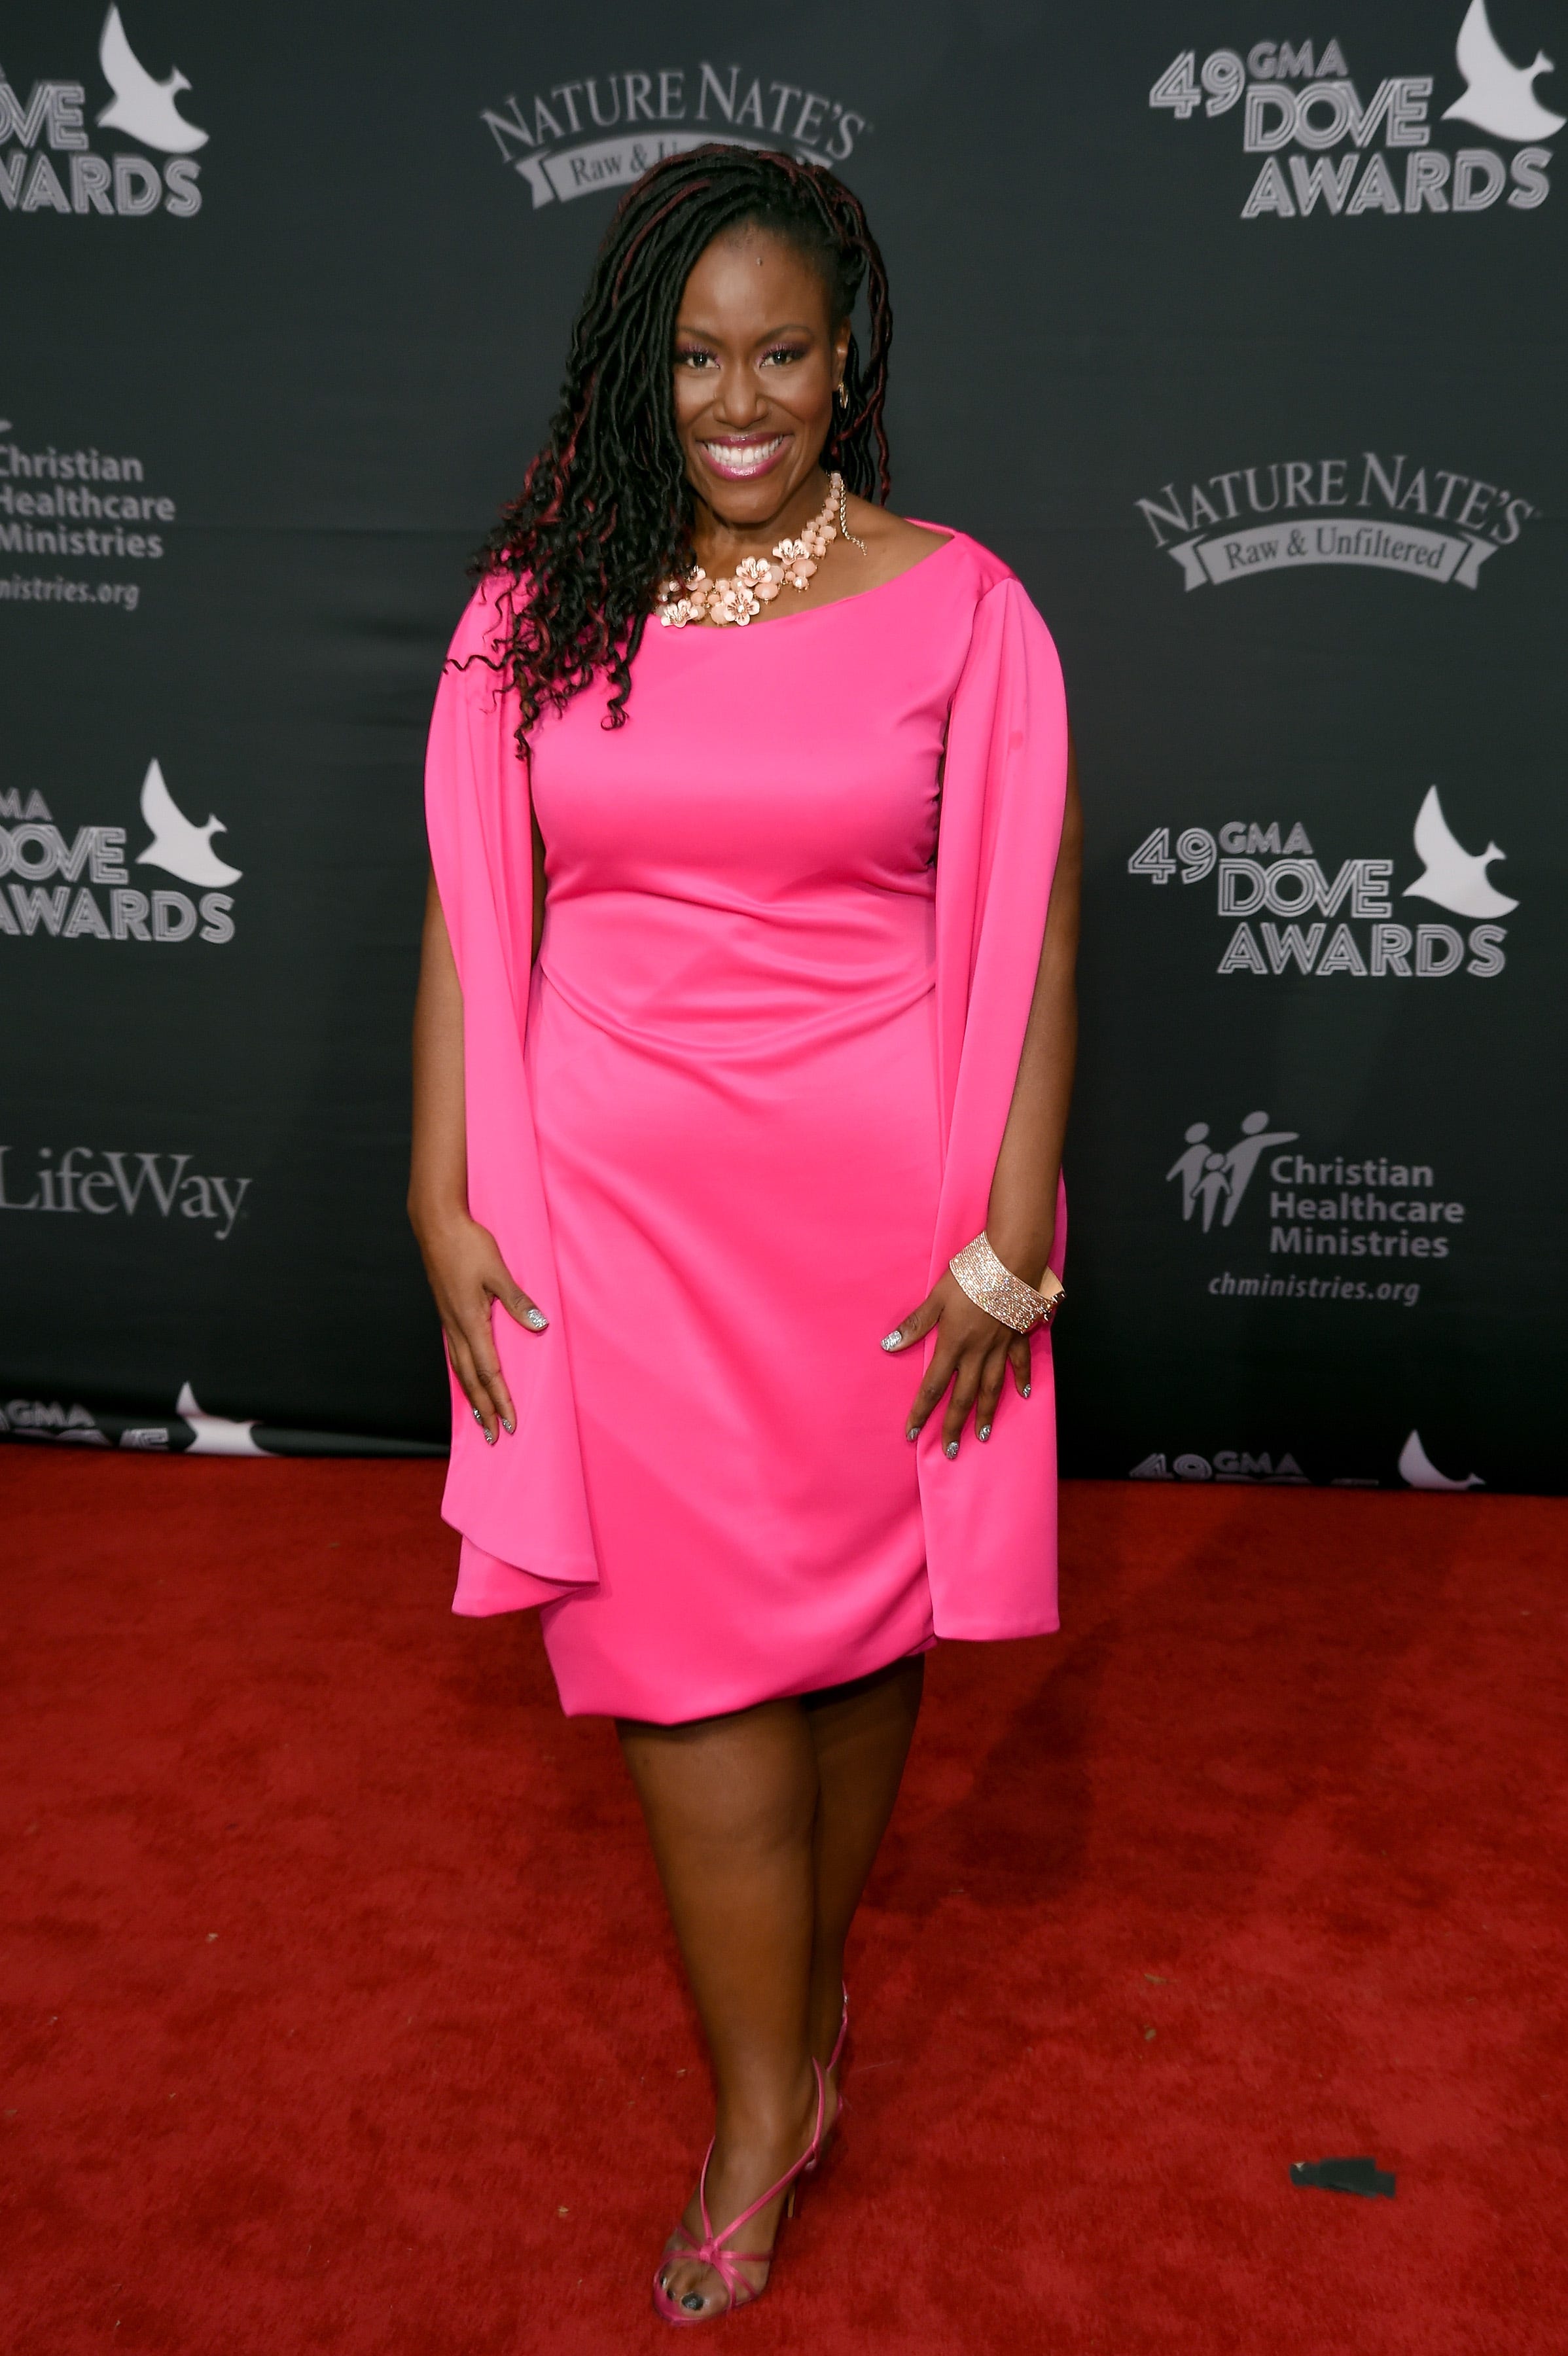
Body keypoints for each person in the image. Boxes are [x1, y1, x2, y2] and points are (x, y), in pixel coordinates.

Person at [409, 145, 1080, 2325]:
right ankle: (753, 2104)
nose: (738, 395)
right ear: (637, 366)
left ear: (843, 353)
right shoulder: (544, 596)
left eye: (780, 348)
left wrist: (1001, 1242)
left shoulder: (962, 602)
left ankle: (796, 2042)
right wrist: (440, 1180)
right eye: (696, 354)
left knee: (858, 1636)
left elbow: (1035, 915)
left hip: (877, 1223)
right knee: (688, 1674)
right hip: (614, 1216)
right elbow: (467, 888)